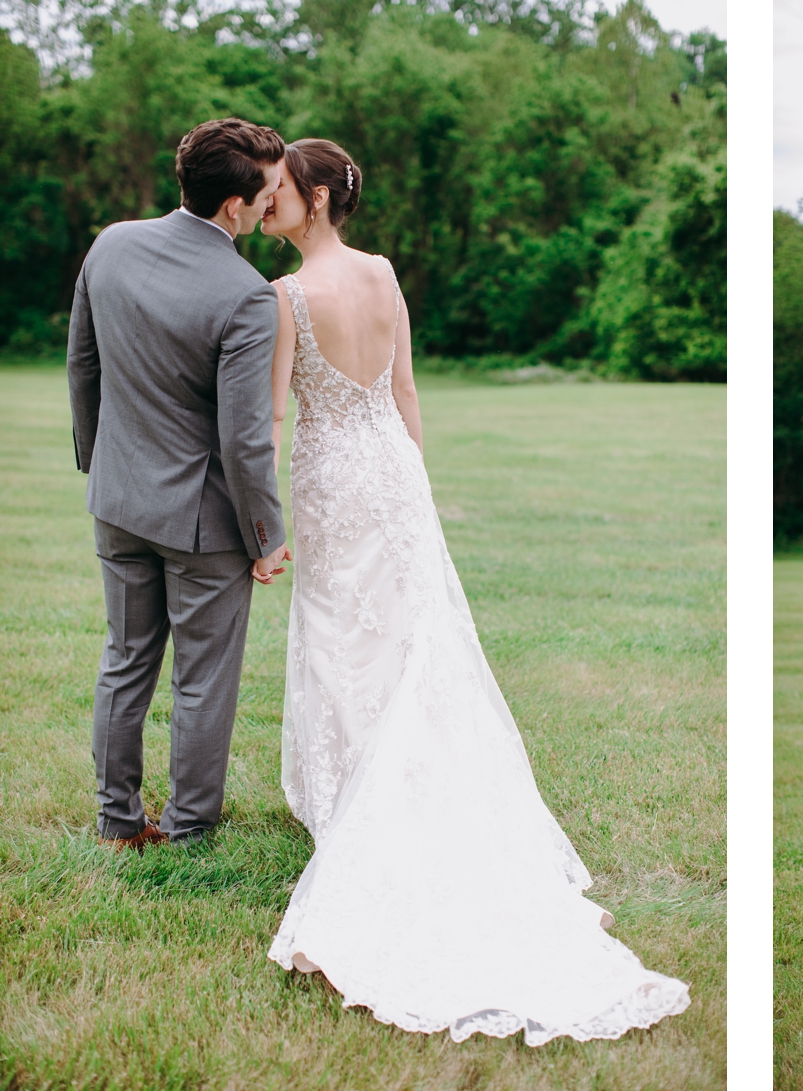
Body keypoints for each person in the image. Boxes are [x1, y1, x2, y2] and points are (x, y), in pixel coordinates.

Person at [258, 138, 690, 1045]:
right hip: (396, 478)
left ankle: (362, 821)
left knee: (345, 645)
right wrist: (412, 487)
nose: (268, 205)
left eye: (282, 193)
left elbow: (274, 416)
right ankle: (406, 795)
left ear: (321, 196)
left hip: (335, 481)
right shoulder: (384, 274)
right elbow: (406, 393)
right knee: (417, 646)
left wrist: (266, 518)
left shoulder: (285, 296)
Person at [66, 118, 292, 851]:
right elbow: (243, 437)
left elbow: (82, 367)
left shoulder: (111, 245)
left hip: (118, 499)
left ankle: (116, 819)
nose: (270, 207)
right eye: (264, 194)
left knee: (125, 659)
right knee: (202, 680)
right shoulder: (248, 294)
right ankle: (191, 828)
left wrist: (98, 464)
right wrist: (266, 535)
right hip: (200, 523)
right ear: (235, 205)